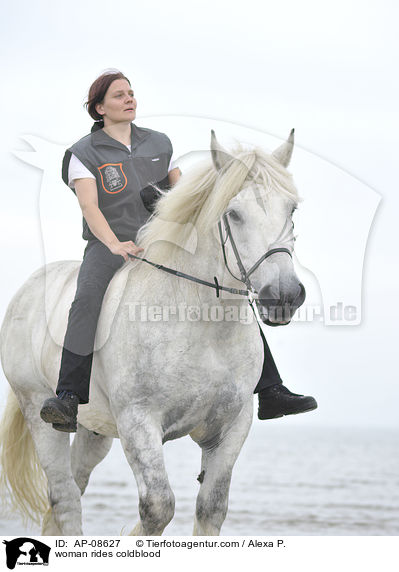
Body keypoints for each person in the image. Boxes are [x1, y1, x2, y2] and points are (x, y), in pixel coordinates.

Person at [40, 69, 317, 433]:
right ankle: (69, 395)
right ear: (99, 108)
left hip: (164, 239)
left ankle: (271, 389)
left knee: (229, 286)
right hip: (111, 243)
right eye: (120, 95)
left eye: (131, 93)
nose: (129, 99)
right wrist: (113, 243)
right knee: (88, 297)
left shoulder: (160, 144)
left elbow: (181, 193)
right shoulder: (82, 153)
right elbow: (90, 207)